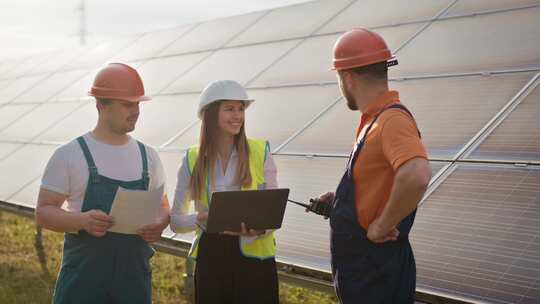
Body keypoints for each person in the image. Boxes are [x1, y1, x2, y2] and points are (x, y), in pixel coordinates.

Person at [311, 28, 432, 303]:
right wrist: (340, 203)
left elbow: (417, 174)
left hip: (377, 275)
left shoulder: (391, 120)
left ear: (348, 78)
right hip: (366, 273)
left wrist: (382, 225)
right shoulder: (373, 120)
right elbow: (378, 184)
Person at [35, 63, 170, 304]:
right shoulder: (70, 154)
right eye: (128, 104)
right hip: (83, 284)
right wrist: (82, 221)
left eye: (138, 103)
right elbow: (44, 212)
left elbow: (163, 206)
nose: (136, 110)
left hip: (133, 284)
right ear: (101, 105)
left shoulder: (148, 156)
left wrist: (159, 223)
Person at [170, 80, 279, 304]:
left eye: (240, 108)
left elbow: (272, 213)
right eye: (229, 108)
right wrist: (201, 218)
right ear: (210, 115)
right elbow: (176, 221)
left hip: (255, 261)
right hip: (212, 259)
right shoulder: (192, 159)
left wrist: (260, 228)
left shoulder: (261, 152)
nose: (237, 115)